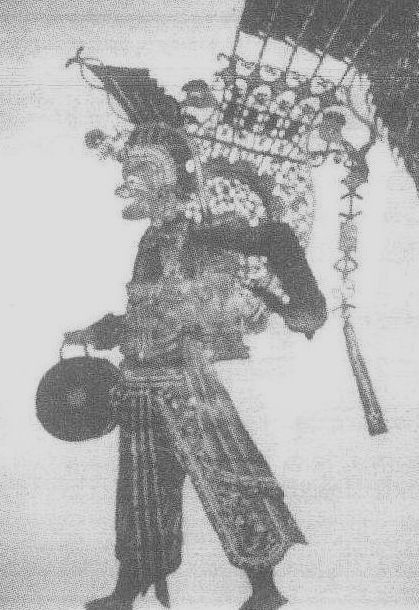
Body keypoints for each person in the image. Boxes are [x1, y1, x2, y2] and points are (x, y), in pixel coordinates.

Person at [65, 122, 327, 610]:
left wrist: (291, 302)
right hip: (139, 384)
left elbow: (256, 264)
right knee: (141, 494)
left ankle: (264, 588)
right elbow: (143, 310)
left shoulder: (205, 235)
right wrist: (100, 332)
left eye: (143, 171)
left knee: (229, 481)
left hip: (187, 383)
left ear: (171, 180)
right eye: (130, 170)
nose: (130, 181)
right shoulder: (150, 242)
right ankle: (128, 587)